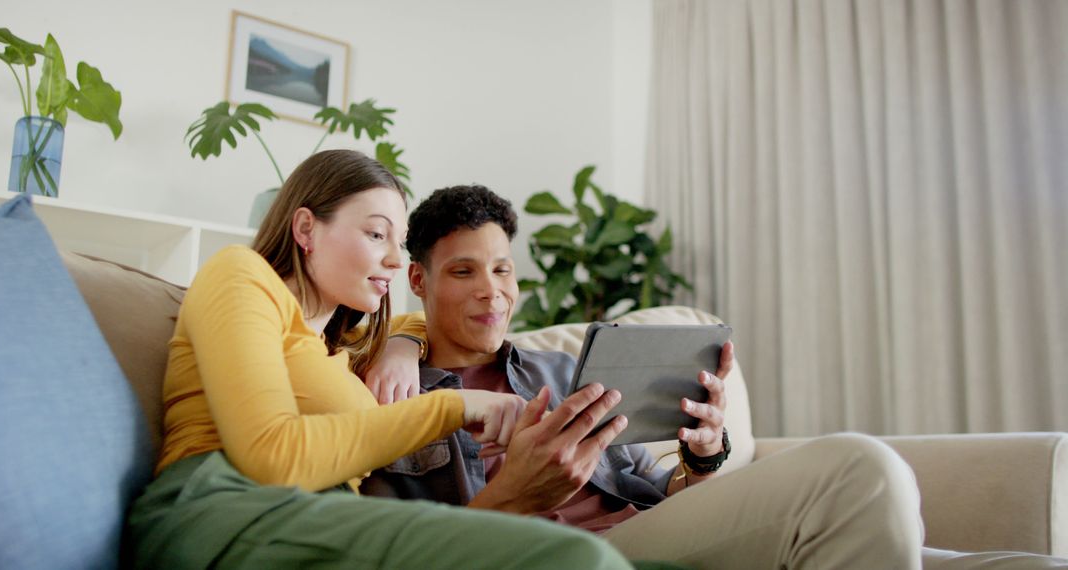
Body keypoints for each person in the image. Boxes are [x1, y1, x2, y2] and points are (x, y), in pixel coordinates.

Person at [362, 184, 1068, 569]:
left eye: (503, 268)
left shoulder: (558, 368)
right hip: (579, 554)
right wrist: (515, 494)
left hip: (653, 528)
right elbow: (406, 552)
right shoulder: (390, 399)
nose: (492, 291)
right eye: (464, 272)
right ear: (417, 280)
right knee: (859, 469)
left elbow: (662, 488)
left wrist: (702, 454)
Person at [126, 151, 659, 570]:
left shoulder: (344, 349)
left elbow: (435, 321)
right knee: (578, 559)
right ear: (305, 229)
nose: (392, 258)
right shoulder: (241, 276)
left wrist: (406, 344)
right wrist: (453, 405)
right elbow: (274, 457)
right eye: (376, 233)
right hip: (219, 507)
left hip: (323, 516)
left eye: (398, 243)